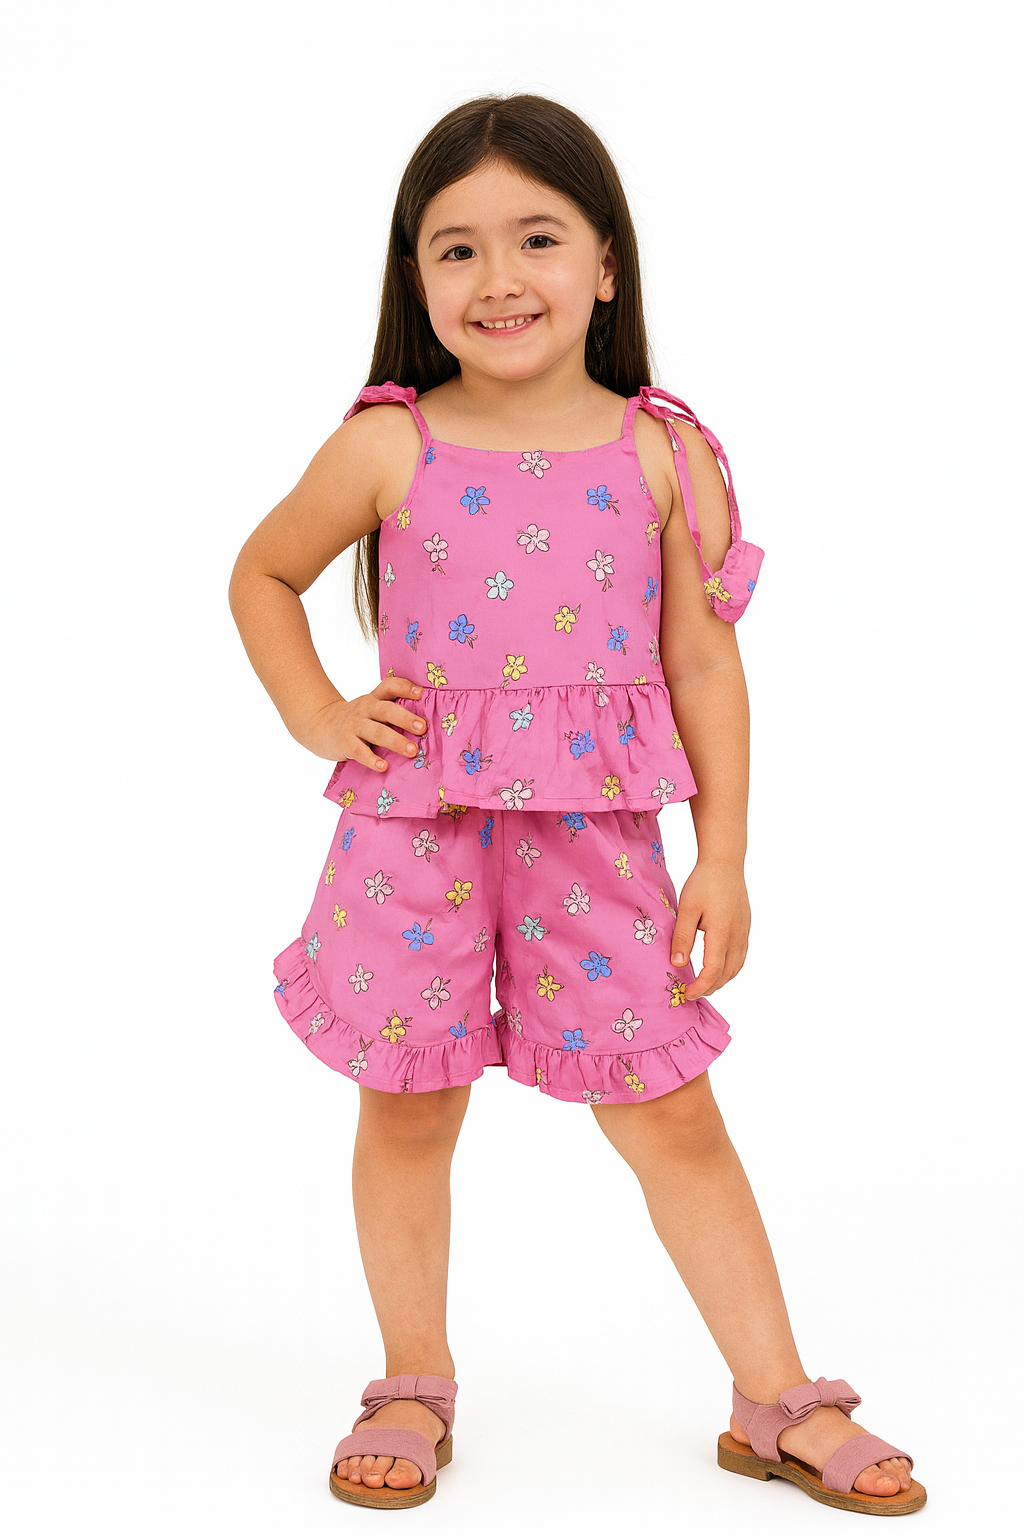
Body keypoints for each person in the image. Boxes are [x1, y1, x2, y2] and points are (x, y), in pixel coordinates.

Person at [228, 92, 925, 1517]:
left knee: (671, 1110)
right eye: (458, 249)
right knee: (407, 1109)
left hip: (597, 843)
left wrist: (723, 857)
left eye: (537, 238)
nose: (500, 278)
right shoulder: (390, 443)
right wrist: (319, 714)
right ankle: (412, 1381)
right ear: (417, 278)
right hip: (412, 837)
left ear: (606, 263)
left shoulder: (664, 453)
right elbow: (264, 573)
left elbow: (704, 664)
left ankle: (774, 1397)